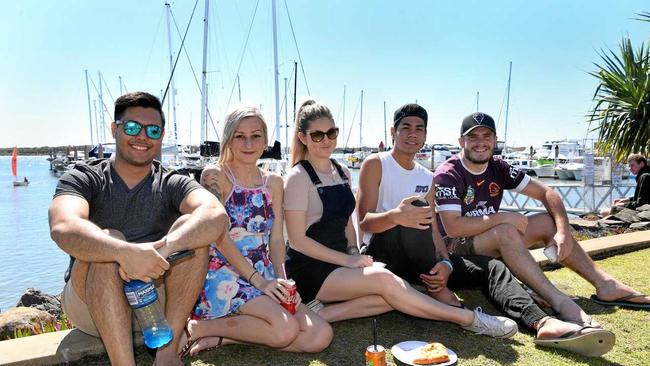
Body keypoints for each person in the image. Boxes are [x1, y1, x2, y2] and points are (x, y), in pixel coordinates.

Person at [356, 104, 615, 357]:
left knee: (493, 267)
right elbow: (364, 222)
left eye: (419, 128)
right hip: (384, 252)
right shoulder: (376, 163)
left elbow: (435, 230)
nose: (412, 134)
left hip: (423, 259)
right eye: (406, 128)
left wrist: (445, 262)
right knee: (412, 219)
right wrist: (396, 216)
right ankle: (437, 290)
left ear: (425, 135)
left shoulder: (427, 176)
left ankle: (542, 323)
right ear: (393, 132)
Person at [284, 99, 518, 338]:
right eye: (317, 135)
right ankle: (469, 318)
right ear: (303, 138)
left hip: (340, 262)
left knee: (393, 295)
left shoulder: (342, 171)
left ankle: (320, 314)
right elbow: (297, 241)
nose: (326, 140)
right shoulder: (297, 178)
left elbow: (347, 223)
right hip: (311, 268)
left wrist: (354, 252)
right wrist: (348, 261)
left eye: (331, 133)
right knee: (388, 283)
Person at [49, 92, 229, 366]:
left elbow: (215, 214)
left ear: (161, 135)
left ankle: (167, 356)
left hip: (156, 307)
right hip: (92, 305)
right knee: (109, 242)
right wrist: (125, 252)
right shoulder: (85, 176)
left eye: (153, 130)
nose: (142, 136)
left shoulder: (171, 182)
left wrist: (160, 249)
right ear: (115, 129)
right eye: (132, 127)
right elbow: (63, 226)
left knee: (193, 234)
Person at [434, 112, 650, 316]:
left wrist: (563, 233)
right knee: (506, 230)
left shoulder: (497, 166)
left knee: (548, 222)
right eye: (473, 137)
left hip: (486, 239)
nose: (480, 142)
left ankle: (606, 285)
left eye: (486, 136)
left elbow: (547, 192)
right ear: (461, 142)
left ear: (495, 140)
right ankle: (557, 300)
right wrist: (504, 217)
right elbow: (454, 227)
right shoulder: (449, 173)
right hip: (454, 251)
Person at [177, 106, 332, 357]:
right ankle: (197, 326)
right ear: (228, 138)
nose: (248, 143)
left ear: (266, 139)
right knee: (284, 330)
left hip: (265, 273)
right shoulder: (215, 176)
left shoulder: (274, 182)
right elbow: (219, 236)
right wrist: (259, 282)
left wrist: (284, 281)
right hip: (224, 272)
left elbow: (277, 239)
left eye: (256, 135)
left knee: (320, 336)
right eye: (240, 136)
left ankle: (220, 336)